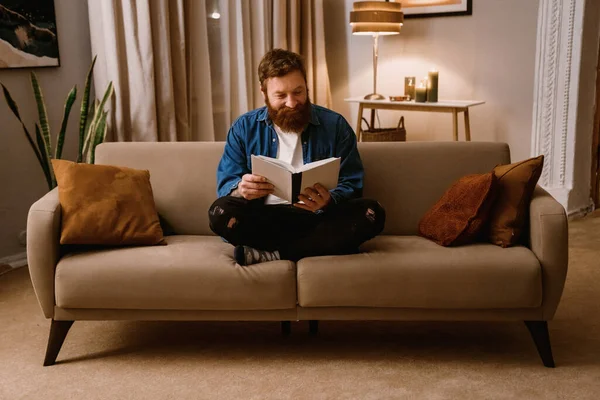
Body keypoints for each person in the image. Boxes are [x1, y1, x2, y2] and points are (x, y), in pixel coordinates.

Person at [208, 48, 385, 266]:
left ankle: (273, 254)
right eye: (281, 96)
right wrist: (241, 189)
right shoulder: (244, 127)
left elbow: (353, 183)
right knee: (219, 211)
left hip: (318, 218)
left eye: (298, 92)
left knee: (371, 213)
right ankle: (313, 247)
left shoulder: (335, 125)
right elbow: (226, 183)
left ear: (307, 88)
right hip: (264, 219)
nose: (292, 103)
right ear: (264, 93)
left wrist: (330, 200)